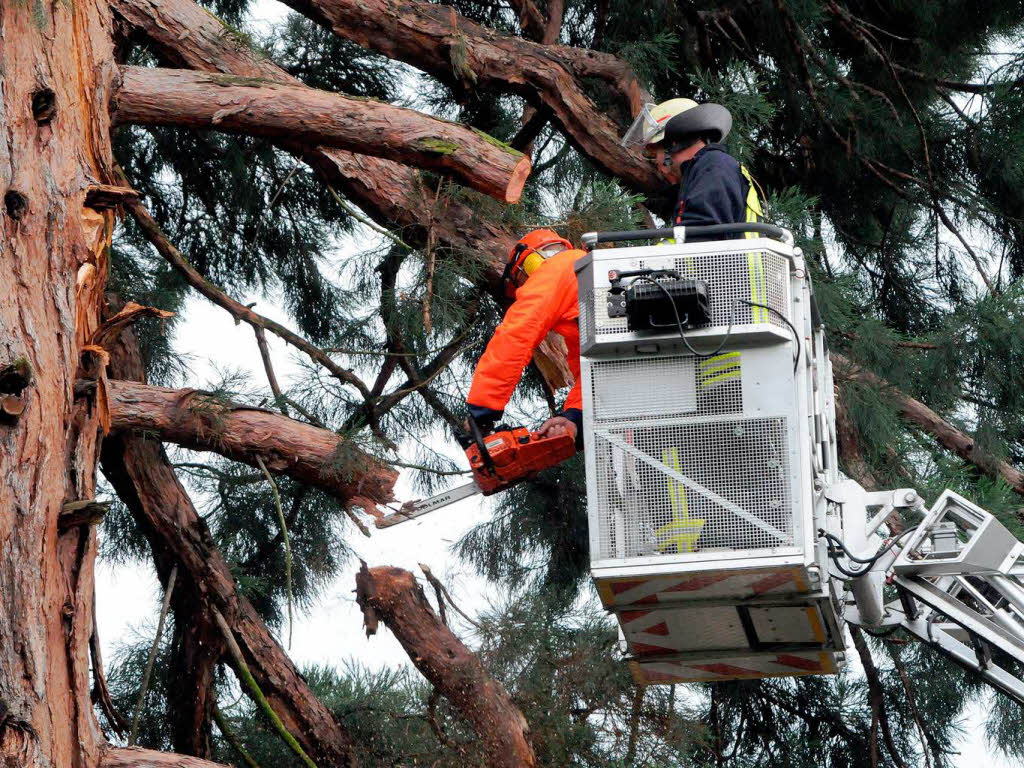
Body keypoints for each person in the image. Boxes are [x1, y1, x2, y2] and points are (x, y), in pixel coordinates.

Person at [465, 229, 584, 443]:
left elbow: (516, 335)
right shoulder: (582, 302)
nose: (526, 287)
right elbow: (592, 372)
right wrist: (575, 416)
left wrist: (482, 410)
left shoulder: (558, 267)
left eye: (523, 280)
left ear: (532, 262)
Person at [621, 98, 763, 234]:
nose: (657, 165)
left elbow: (701, 243)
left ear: (672, 144)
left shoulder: (713, 167)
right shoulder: (705, 172)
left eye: (654, 155)